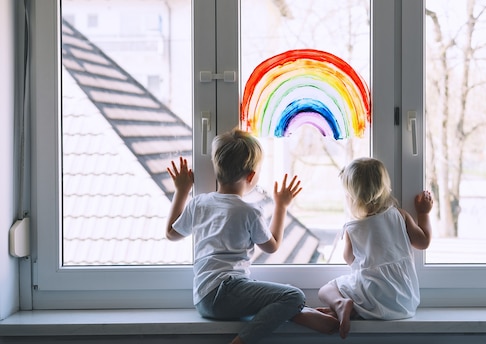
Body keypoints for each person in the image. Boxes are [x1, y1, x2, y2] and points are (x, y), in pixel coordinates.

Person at [165, 129, 339, 344]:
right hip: (226, 291)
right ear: (251, 176)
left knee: (275, 301)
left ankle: (311, 317)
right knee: (293, 296)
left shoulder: (199, 203)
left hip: (203, 299)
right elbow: (272, 246)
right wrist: (281, 206)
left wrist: (182, 190)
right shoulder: (249, 211)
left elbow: (171, 233)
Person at [318, 157, 433, 339]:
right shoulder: (399, 215)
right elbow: (423, 241)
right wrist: (423, 213)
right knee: (369, 291)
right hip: (405, 303)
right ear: (384, 188)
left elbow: (349, 259)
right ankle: (352, 309)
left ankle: (341, 304)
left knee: (326, 290)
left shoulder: (352, 228)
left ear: (351, 196)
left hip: (373, 297)